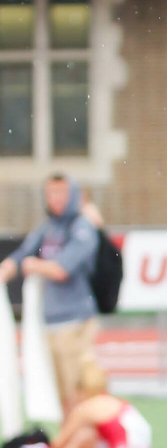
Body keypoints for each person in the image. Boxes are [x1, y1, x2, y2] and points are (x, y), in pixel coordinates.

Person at [0, 174, 99, 413]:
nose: (55, 198)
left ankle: (81, 445)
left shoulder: (81, 227)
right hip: (51, 321)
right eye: (51, 192)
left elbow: (62, 268)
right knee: (59, 395)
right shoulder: (47, 227)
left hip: (75, 320)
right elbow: (22, 254)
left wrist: (36, 266)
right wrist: (8, 268)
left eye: (61, 192)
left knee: (79, 391)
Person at [51, 363, 154, 448]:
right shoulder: (119, 404)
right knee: (85, 436)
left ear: (80, 391)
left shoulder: (86, 407)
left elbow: (55, 446)